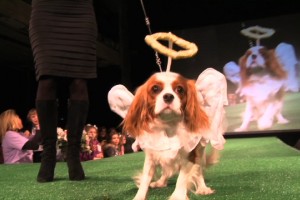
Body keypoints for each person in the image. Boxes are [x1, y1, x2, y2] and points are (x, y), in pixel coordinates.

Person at [29, 0, 98, 182]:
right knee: (46, 80)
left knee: (79, 82)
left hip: (80, 11)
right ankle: (48, 156)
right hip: (46, 10)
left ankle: (73, 155)